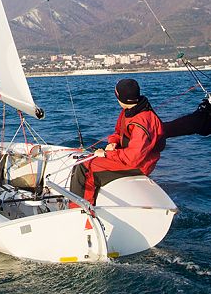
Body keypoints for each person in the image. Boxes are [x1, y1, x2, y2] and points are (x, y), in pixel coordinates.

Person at [69, 78, 165, 206]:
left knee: (84, 168)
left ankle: (79, 210)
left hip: (139, 165)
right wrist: (112, 143)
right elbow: (118, 132)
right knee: (83, 160)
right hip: (125, 156)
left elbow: (133, 158)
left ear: (120, 98)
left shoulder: (141, 121)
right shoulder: (129, 111)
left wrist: (107, 155)